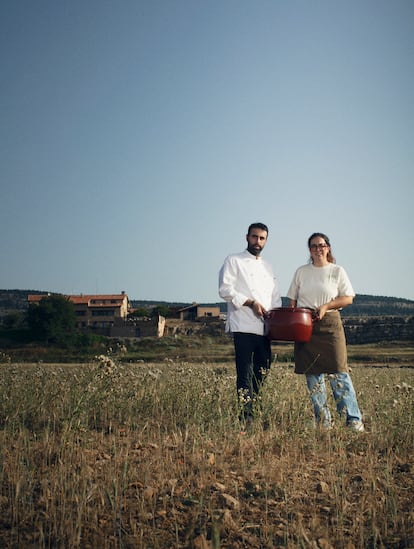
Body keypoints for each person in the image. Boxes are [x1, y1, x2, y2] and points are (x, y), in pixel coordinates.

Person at [287, 232, 364, 432]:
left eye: (321, 245)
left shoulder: (337, 271)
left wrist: (327, 306)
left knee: (339, 372)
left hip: (330, 323)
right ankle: (323, 421)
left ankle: (353, 420)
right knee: (312, 375)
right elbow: (293, 300)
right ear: (309, 250)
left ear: (328, 247)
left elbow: (348, 298)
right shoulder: (301, 272)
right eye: (313, 246)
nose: (318, 249)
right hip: (305, 325)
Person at [219, 222, 282, 431]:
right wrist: (251, 302)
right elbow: (225, 290)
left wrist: (275, 315)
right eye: (254, 237)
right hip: (243, 324)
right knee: (244, 372)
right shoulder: (233, 260)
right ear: (247, 237)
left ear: (266, 241)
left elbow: (274, 297)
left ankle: (255, 408)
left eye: (262, 238)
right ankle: (245, 416)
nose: (258, 242)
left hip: (265, 328)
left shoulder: (268, 266)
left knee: (263, 370)